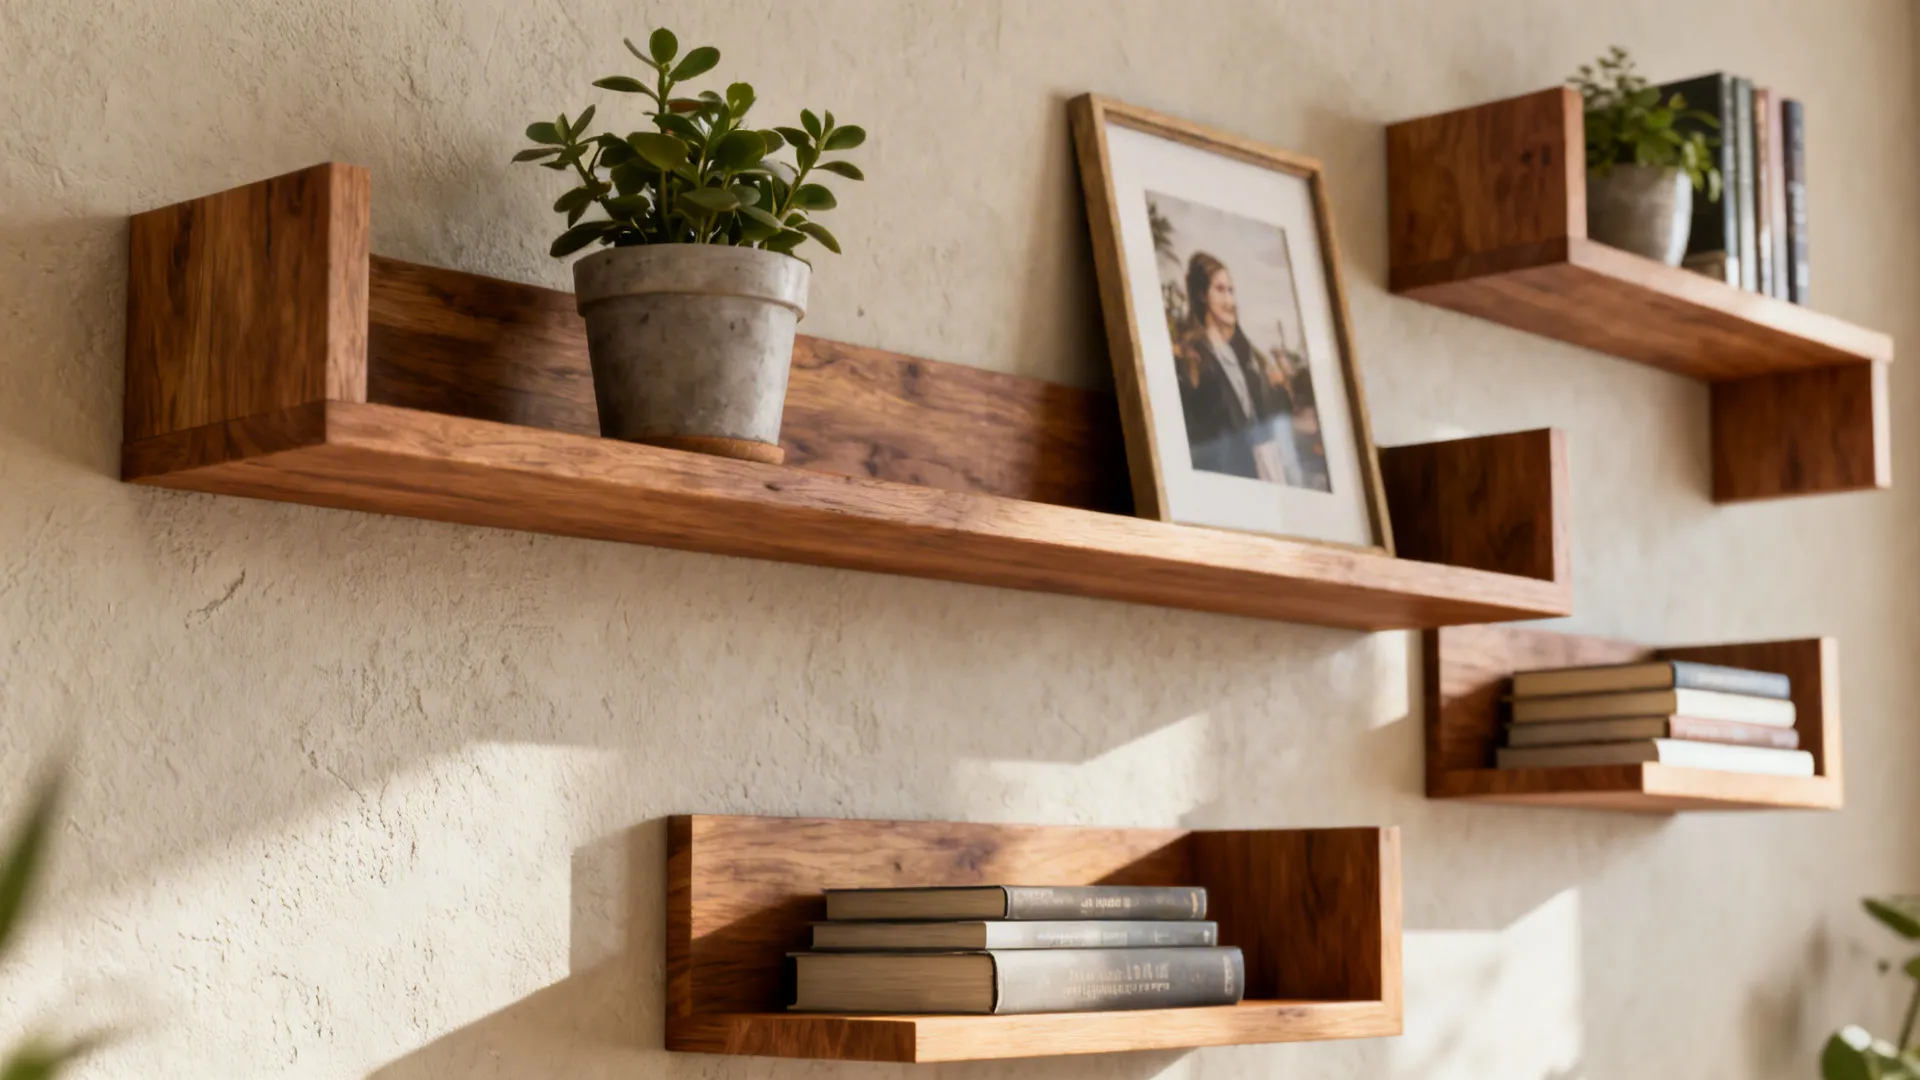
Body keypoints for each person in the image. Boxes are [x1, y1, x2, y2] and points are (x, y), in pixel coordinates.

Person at [1173, 253, 1300, 481]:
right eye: (1220, 290)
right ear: (1202, 295)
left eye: (1231, 290)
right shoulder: (1192, 357)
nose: (1229, 300)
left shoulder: (1246, 355)